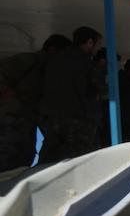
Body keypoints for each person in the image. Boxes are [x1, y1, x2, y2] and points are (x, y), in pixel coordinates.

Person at [0, 34, 72, 171]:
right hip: (9, 119)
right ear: (52, 50)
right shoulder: (28, 61)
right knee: (6, 158)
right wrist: (6, 93)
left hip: (27, 122)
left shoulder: (50, 70)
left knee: (24, 158)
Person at [38, 26, 102, 164]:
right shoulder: (86, 62)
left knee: (50, 156)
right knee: (78, 161)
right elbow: (96, 88)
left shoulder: (55, 59)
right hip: (77, 118)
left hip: (51, 117)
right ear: (90, 42)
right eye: (97, 44)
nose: (97, 48)